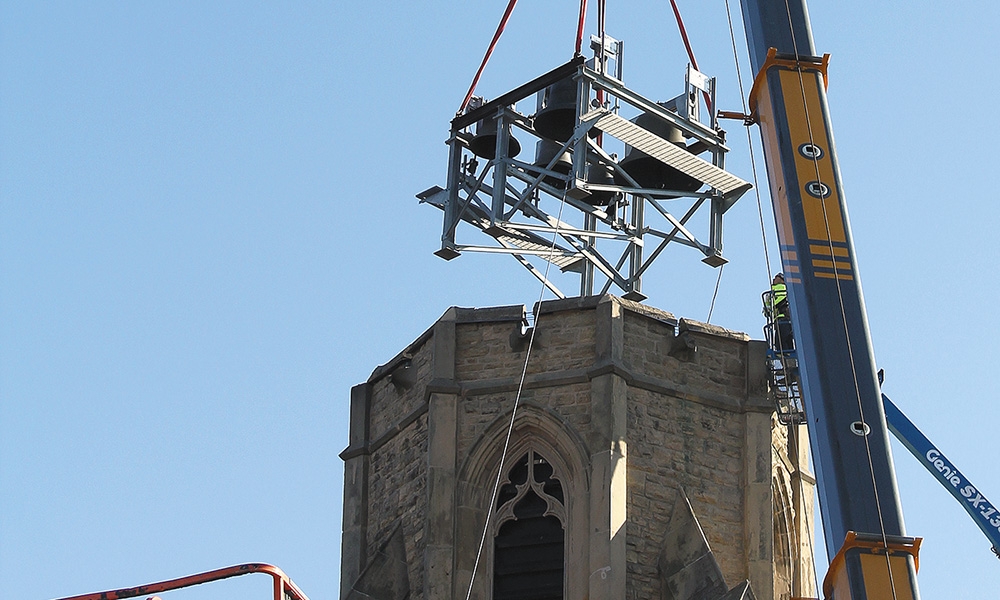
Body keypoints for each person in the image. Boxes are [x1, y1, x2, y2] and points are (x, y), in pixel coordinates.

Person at [763, 273, 794, 352]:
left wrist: (768, 310)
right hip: (781, 319)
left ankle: (786, 358)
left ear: (782, 280)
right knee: (786, 341)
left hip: (783, 318)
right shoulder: (774, 291)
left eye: (776, 277)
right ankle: (789, 359)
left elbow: (778, 302)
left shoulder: (781, 288)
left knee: (781, 343)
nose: (773, 279)